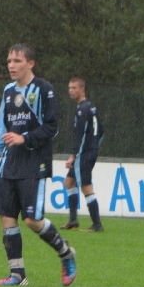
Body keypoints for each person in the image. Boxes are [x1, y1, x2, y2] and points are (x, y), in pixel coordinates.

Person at [0, 43, 76, 287]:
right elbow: (3, 128)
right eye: (9, 60)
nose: (12, 65)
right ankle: (17, 275)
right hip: (9, 163)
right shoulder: (8, 91)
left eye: (17, 61)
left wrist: (25, 138)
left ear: (30, 64)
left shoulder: (44, 90)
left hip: (34, 162)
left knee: (32, 220)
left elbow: (52, 127)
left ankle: (66, 253)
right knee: (7, 217)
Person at [61, 77, 105, 232]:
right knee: (69, 182)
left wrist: (74, 156)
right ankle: (73, 220)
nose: (70, 91)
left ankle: (97, 224)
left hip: (83, 153)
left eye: (74, 88)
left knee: (86, 186)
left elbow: (80, 135)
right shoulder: (91, 107)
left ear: (82, 89)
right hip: (89, 151)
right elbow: (101, 132)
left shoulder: (82, 109)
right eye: (69, 88)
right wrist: (95, 147)